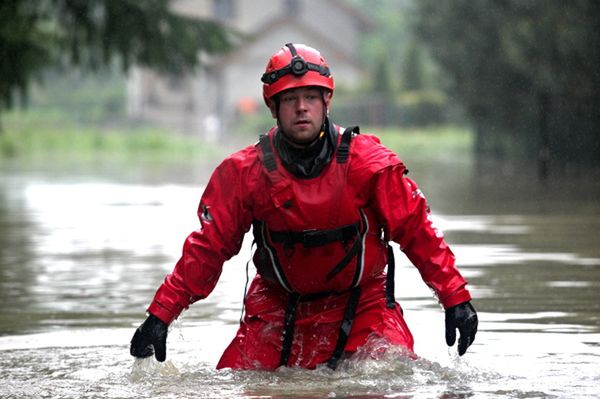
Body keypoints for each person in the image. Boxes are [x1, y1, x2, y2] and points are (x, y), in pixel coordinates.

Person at [130, 43, 478, 370]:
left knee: (388, 377)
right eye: (291, 99)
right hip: (276, 310)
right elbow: (207, 250)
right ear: (273, 107)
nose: (301, 108)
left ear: (326, 102)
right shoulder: (245, 174)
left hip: (363, 307)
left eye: (310, 97)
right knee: (236, 382)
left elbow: (418, 232)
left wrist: (455, 298)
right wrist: (161, 315)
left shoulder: (369, 164)